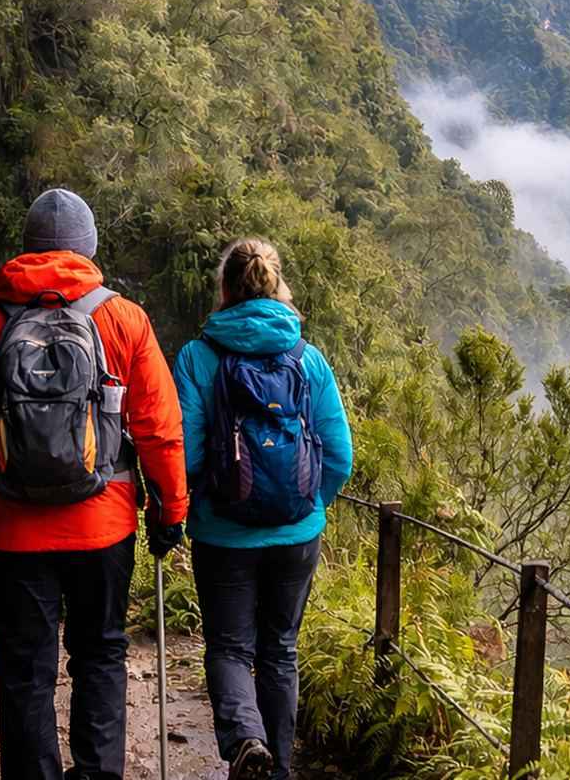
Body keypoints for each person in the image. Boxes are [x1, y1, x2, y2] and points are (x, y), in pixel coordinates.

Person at [0, 188, 190, 780]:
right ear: (88, 248)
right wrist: (171, 510)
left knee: (25, 671)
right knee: (101, 655)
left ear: (27, 247)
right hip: (104, 525)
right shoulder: (124, 319)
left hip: (13, 530)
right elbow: (160, 429)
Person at [172, 239, 353, 780]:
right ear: (278, 286)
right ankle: (278, 770)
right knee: (280, 650)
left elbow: (188, 454)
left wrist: (194, 503)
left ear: (225, 288)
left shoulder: (198, 357)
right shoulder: (307, 357)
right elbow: (339, 455)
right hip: (296, 535)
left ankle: (246, 740)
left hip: (223, 534)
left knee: (229, 648)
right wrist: (308, 506)